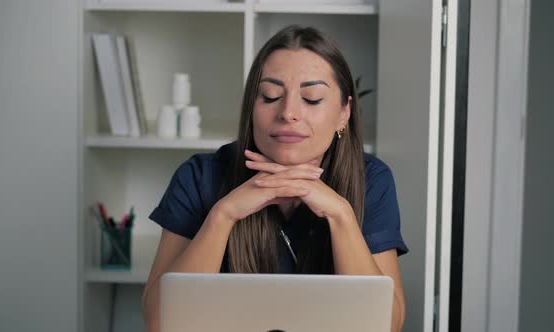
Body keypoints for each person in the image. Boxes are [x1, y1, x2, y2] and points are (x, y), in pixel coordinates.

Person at [142, 25, 409, 332]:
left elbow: (386, 326)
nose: (288, 112)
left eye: (311, 98)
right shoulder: (199, 176)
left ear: (344, 113)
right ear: (251, 108)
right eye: (270, 96)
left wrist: (341, 215)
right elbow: (159, 324)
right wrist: (223, 215)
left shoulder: (372, 180)